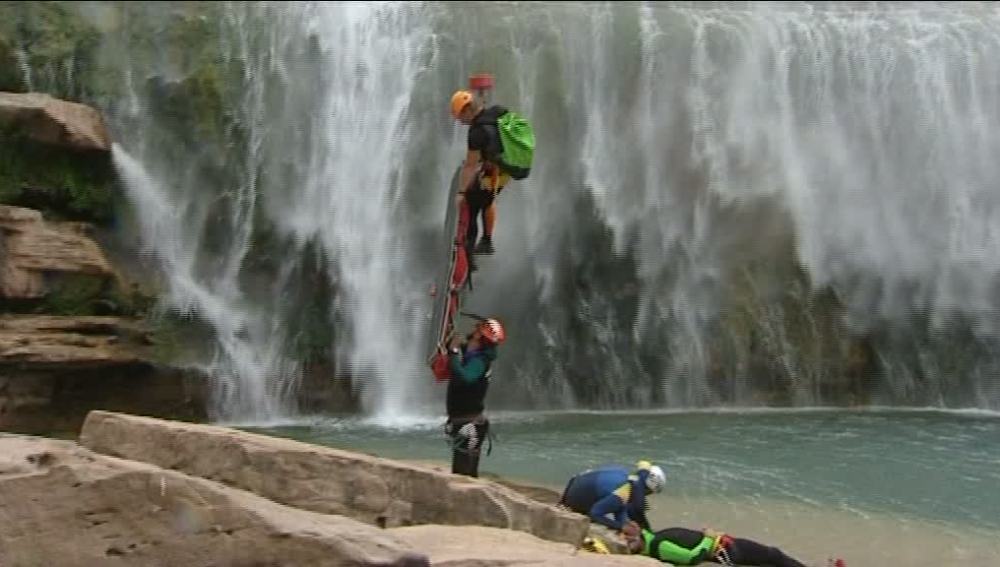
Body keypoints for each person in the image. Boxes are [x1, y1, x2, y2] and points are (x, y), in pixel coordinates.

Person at [449, 90, 515, 260]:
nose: (461, 122)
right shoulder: (497, 111)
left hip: (496, 174)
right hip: (509, 167)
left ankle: (470, 255)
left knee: (471, 204)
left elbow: (470, 166)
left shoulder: (476, 133)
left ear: (467, 111)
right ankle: (486, 240)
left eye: (460, 117)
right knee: (486, 199)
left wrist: (461, 193)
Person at [444, 317, 506, 477]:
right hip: (464, 421)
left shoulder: (479, 360)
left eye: (477, 328)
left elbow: (467, 377)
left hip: (469, 425)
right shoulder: (473, 353)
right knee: (462, 472)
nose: (473, 329)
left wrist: (453, 352)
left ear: (479, 336)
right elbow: (458, 347)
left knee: (463, 474)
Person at [622, 521, 810, 567]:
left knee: (769, 561)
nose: (627, 543)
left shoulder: (654, 542)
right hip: (725, 549)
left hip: (723, 550)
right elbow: (692, 558)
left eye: (629, 540)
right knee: (773, 556)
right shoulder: (659, 545)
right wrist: (708, 538)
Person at [558, 460, 666, 531]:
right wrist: (621, 527)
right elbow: (595, 513)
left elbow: (619, 507)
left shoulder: (625, 477)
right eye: (648, 493)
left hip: (573, 487)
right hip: (574, 502)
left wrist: (626, 523)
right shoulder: (623, 492)